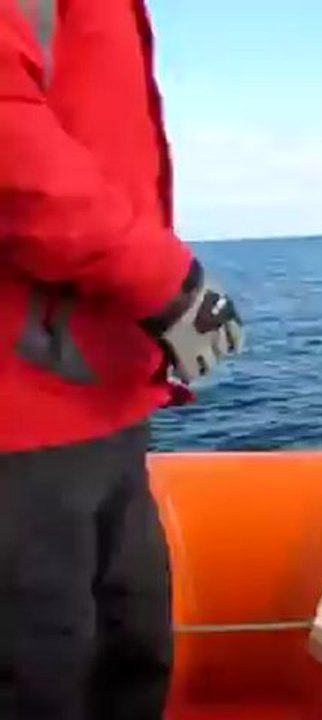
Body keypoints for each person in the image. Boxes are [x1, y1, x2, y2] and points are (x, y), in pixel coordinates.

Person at [1, 1, 243, 718]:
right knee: (41, 677)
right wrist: (166, 283)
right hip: (23, 420)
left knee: (129, 652)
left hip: (104, 400)